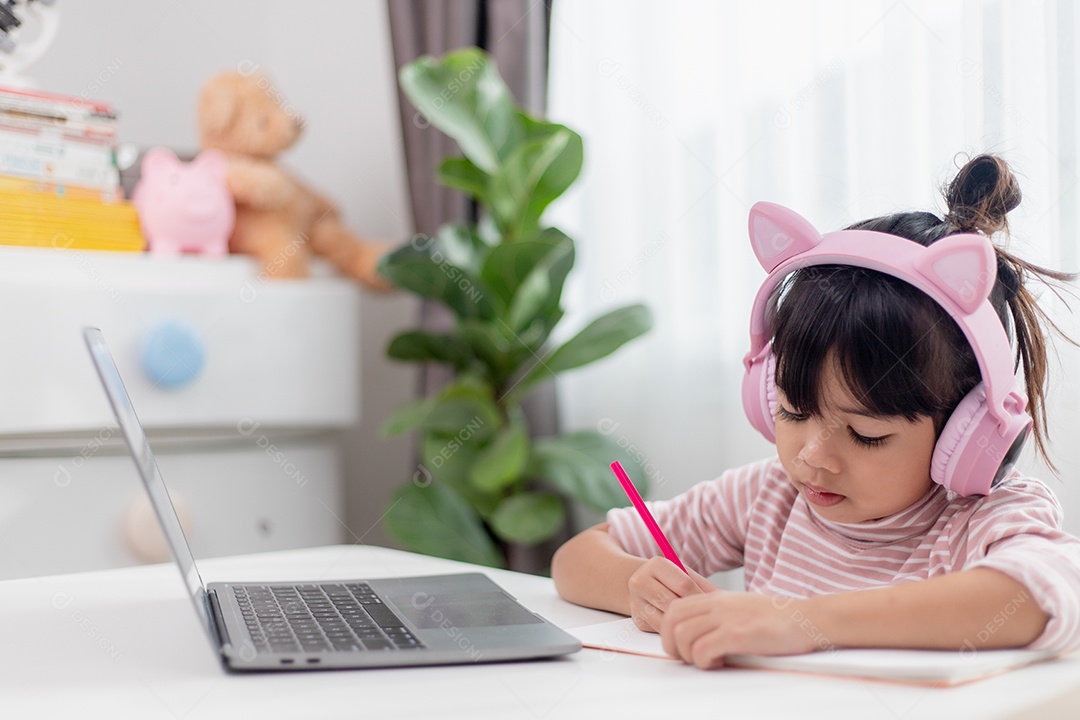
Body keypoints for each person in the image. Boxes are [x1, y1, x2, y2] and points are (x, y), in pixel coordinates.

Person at [551, 154, 1080, 670]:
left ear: (965, 435)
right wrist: (637, 586)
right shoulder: (769, 496)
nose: (813, 457)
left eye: (867, 433)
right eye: (793, 410)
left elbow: (1042, 597)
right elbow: (574, 560)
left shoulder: (982, 518)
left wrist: (800, 622)